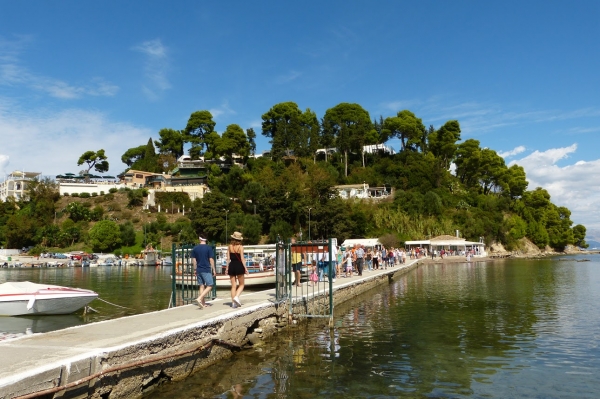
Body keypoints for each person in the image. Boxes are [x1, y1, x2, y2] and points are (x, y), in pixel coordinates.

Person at [190, 235, 216, 309]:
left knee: (201, 286)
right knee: (210, 285)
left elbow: (194, 260)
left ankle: (203, 303)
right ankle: (199, 298)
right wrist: (213, 269)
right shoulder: (208, 248)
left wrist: (195, 269)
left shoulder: (195, 248)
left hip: (199, 269)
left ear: (199, 239)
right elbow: (211, 259)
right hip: (206, 269)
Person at [226, 231, 248, 308]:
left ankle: (233, 303)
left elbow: (228, 259)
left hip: (231, 266)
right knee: (241, 284)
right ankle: (236, 297)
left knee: (233, 286)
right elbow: (242, 259)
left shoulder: (229, 247)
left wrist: (227, 268)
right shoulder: (240, 247)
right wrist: (245, 268)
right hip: (239, 265)